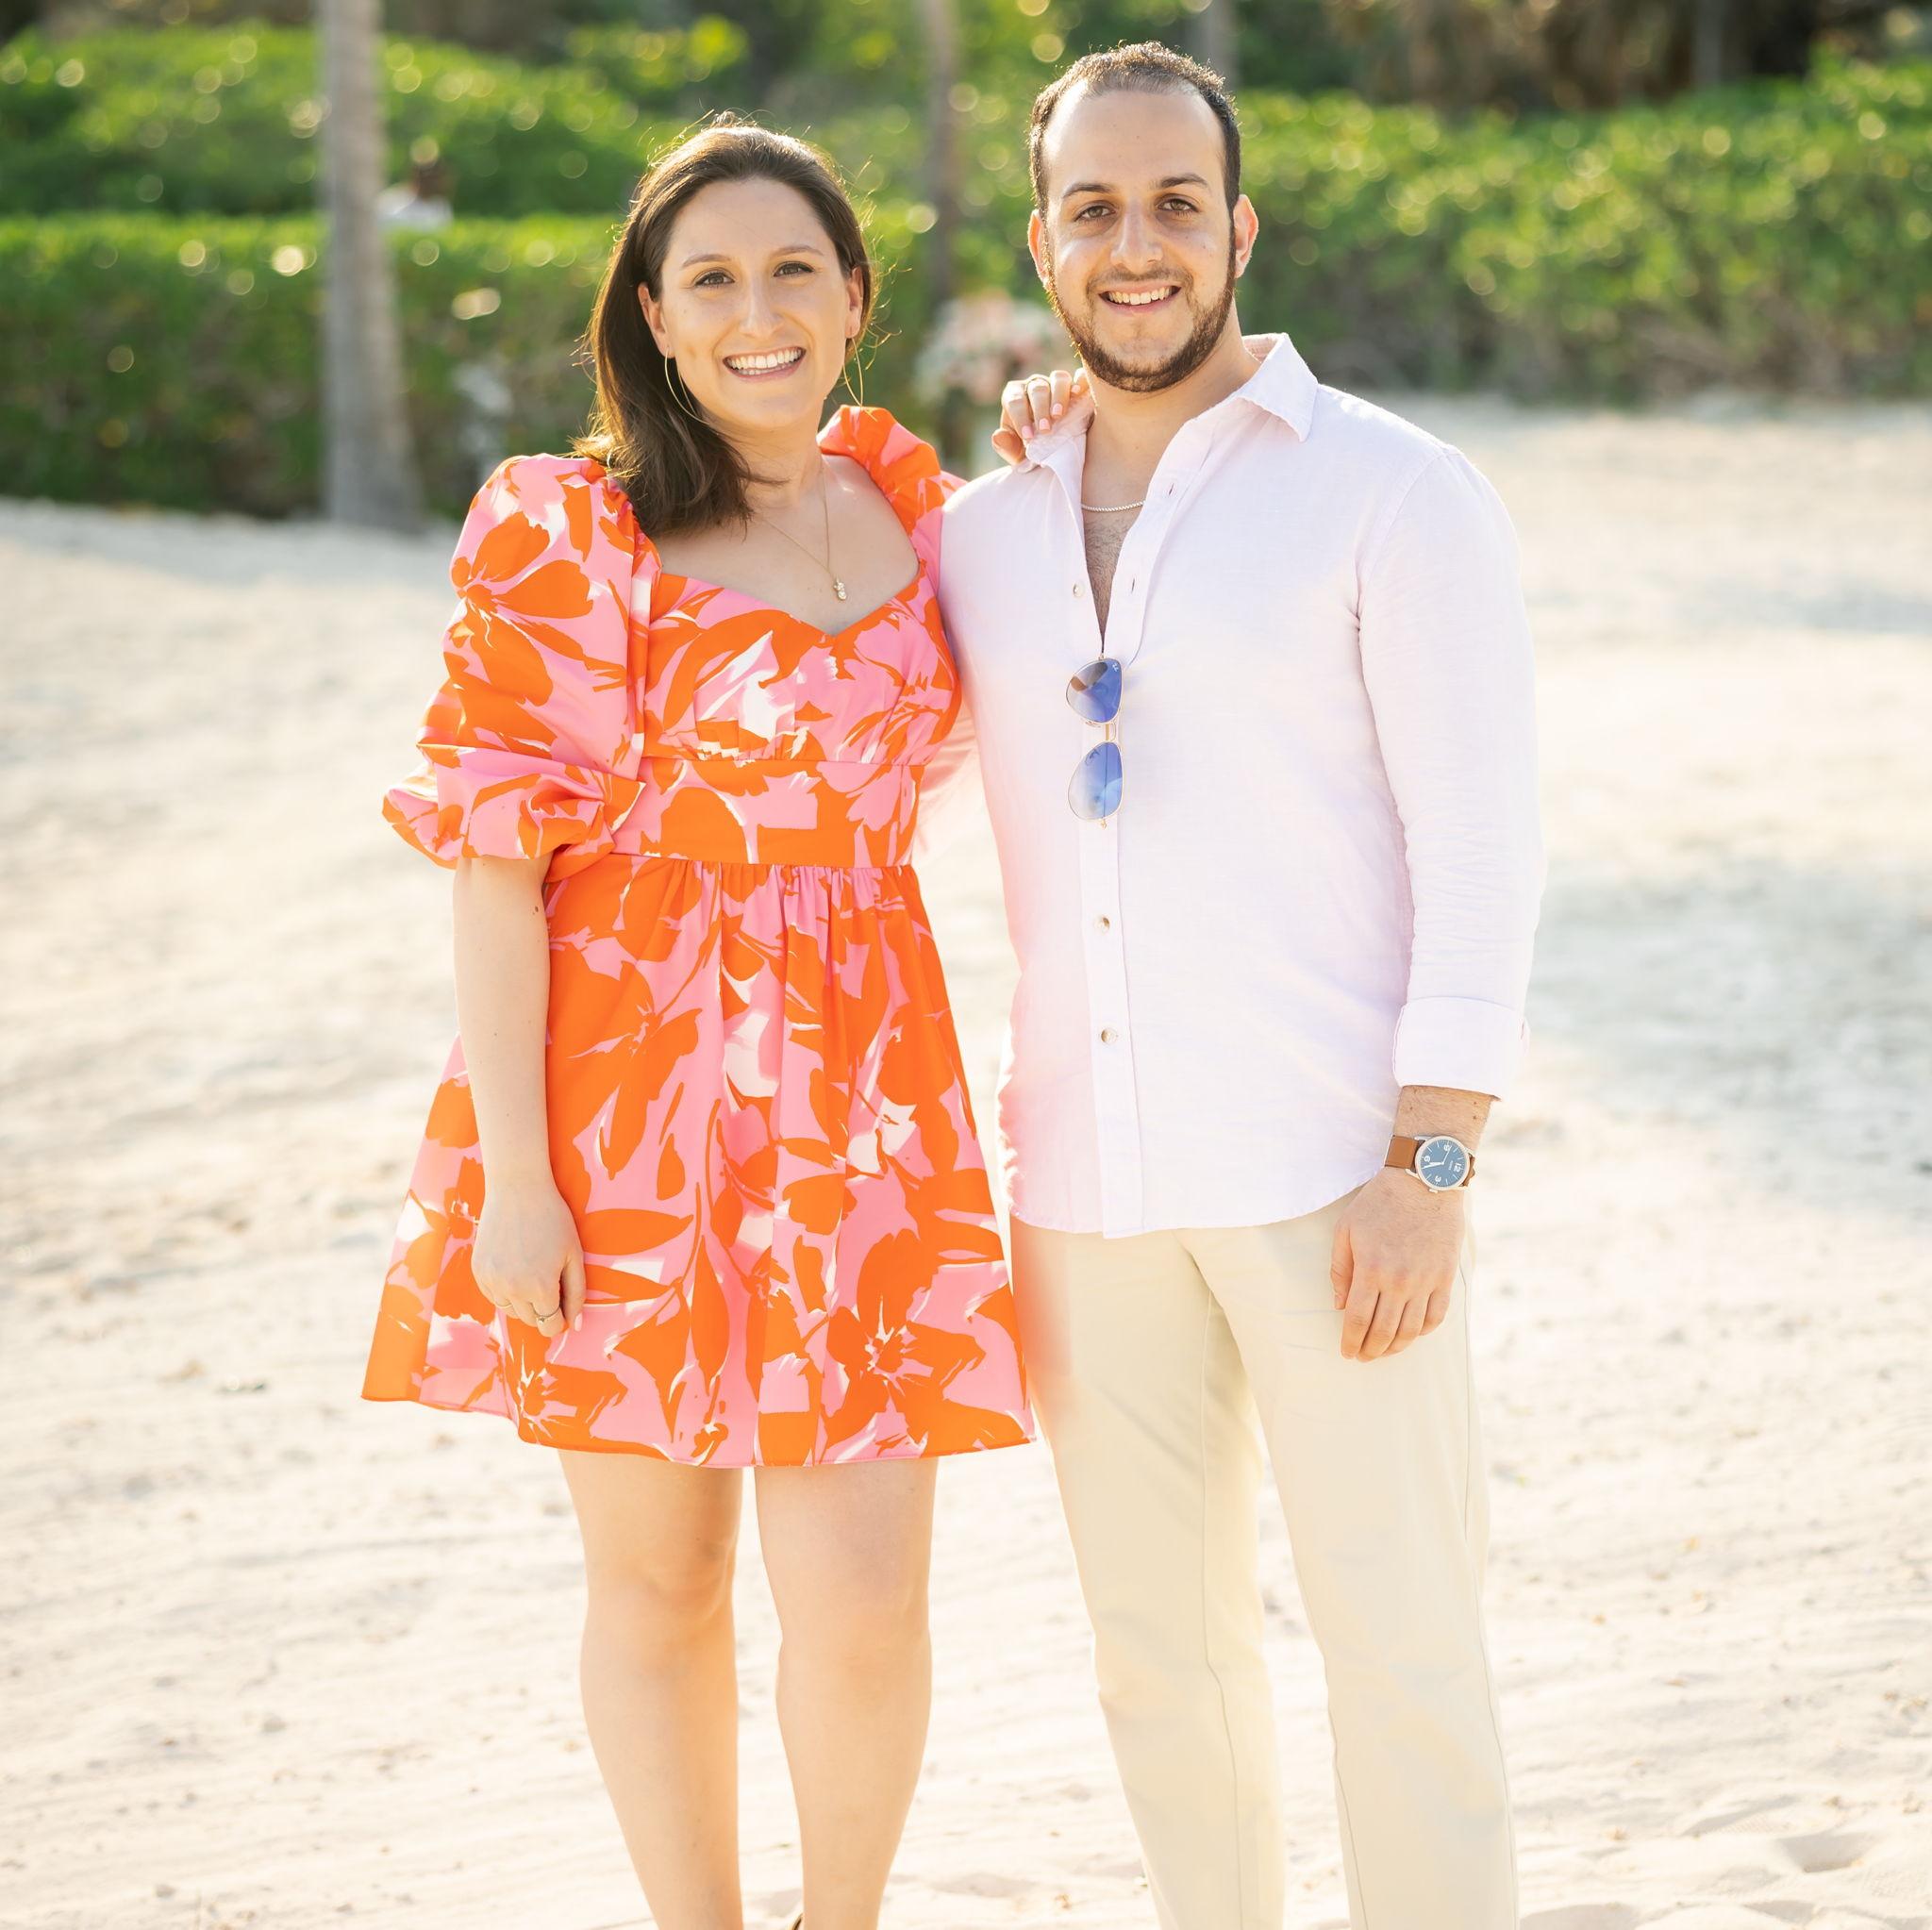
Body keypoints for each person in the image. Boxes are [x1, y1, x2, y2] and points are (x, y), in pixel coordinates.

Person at [359, 118, 1074, 1930]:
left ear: (851, 298)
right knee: (661, 1580)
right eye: (711, 281)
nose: (757, 313)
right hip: (626, 1102)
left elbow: (1075, 605)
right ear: (657, 325)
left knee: (867, 1591)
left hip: (865, 1100)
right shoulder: (575, 527)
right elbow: (497, 866)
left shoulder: (923, 508)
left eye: (791, 272)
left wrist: (1064, 453)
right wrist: (519, 1181)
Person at [933, 42, 1545, 1930]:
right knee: (1158, 1668)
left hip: (1328, 1181)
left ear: (1238, 228)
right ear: (1041, 243)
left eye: (1173, 205)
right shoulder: (980, 535)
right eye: (1093, 210)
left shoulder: (1392, 492)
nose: (1137, 246)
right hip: (1082, 1199)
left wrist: (1427, 1168)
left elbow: (1483, 847)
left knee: (1405, 1650)